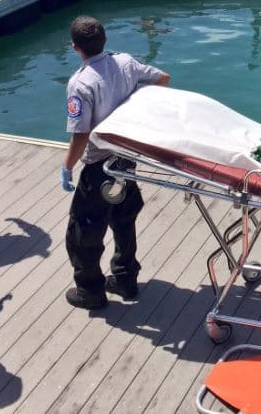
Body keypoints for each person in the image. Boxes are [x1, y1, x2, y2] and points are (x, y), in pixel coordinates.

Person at [61, 16, 170, 309]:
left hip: (98, 168)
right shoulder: (126, 63)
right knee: (124, 219)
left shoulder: (80, 83)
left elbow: (81, 134)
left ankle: (90, 291)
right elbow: (163, 79)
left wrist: (68, 167)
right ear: (105, 39)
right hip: (125, 161)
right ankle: (125, 279)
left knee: (82, 233)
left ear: (75, 47)